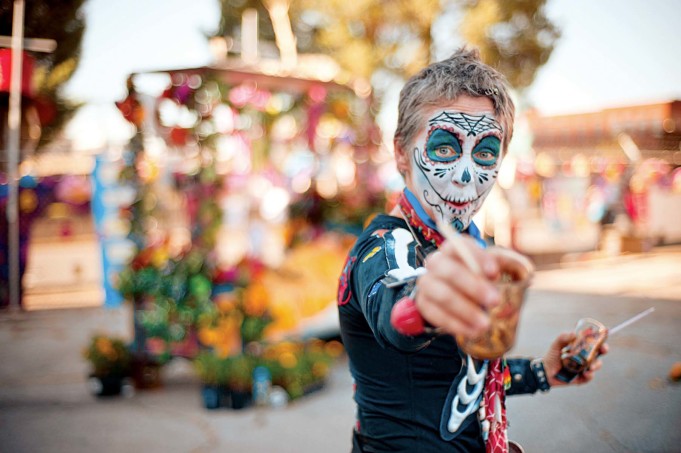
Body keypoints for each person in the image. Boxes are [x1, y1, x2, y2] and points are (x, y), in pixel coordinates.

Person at [337, 48, 608, 453]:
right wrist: (423, 304)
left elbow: (463, 376)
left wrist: (542, 371)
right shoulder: (383, 247)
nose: (466, 174)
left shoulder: (473, 245)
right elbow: (393, 308)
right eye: (444, 148)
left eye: (484, 152)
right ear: (400, 154)